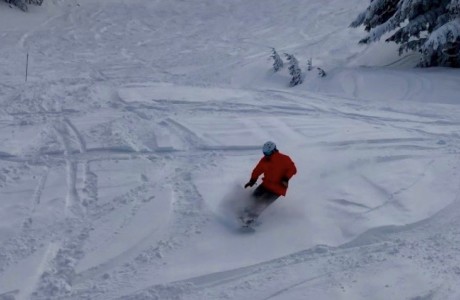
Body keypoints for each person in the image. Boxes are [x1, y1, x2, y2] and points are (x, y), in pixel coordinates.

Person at [242, 141, 297, 225]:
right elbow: (257, 170)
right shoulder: (264, 160)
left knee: (261, 204)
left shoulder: (284, 159)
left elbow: (293, 169)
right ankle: (243, 214)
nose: (266, 155)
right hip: (266, 184)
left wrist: (286, 178)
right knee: (253, 197)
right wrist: (252, 180)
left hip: (278, 188)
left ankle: (250, 221)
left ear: (274, 150)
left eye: (268, 152)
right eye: (264, 153)